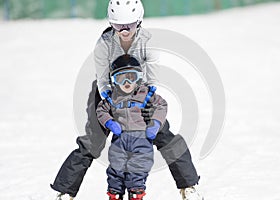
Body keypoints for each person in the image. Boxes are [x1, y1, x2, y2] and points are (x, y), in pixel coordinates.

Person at [51, 0, 202, 200]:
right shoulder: (104, 43)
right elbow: (103, 79)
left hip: (141, 92)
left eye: (128, 25)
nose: (124, 30)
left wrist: (145, 99)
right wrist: (109, 101)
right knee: (93, 142)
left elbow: (152, 78)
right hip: (109, 93)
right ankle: (65, 191)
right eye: (118, 25)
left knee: (164, 136)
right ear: (111, 23)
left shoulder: (149, 41)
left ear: (138, 21)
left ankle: (189, 187)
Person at [97, 54, 167, 200]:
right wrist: (109, 122)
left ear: (139, 78)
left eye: (132, 77)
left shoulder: (145, 94)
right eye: (121, 78)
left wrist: (155, 123)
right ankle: (115, 193)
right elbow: (101, 110)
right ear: (114, 80)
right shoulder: (113, 97)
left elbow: (161, 105)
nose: (127, 82)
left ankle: (136, 193)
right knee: (116, 168)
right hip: (120, 139)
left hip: (142, 139)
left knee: (138, 168)